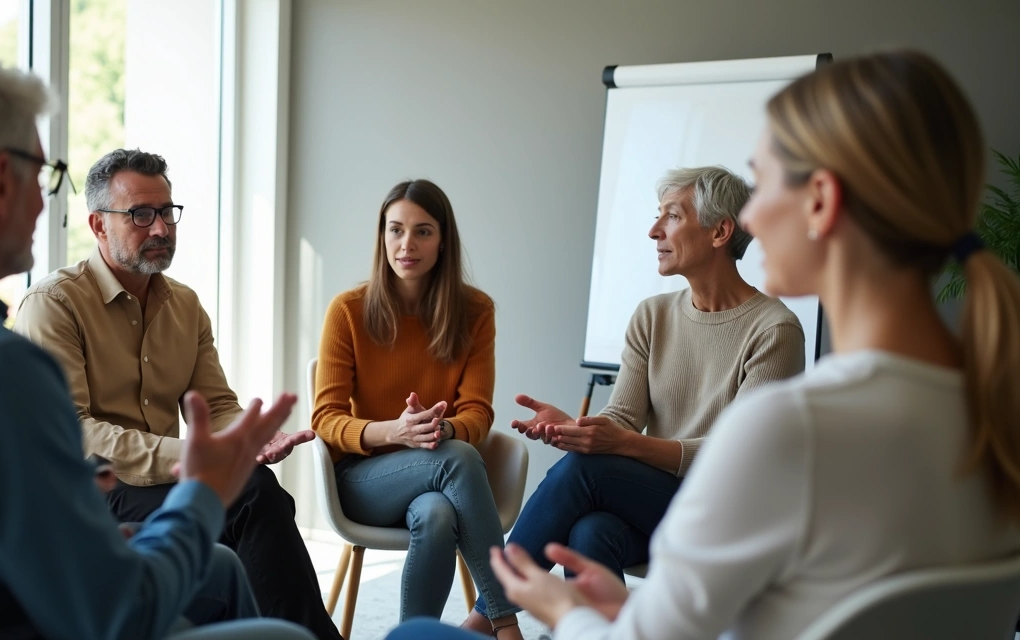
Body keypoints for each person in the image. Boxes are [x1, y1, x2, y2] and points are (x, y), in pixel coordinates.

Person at [395, 49, 1020, 640]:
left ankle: (487, 616)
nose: (754, 217)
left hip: (676, 525)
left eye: (763, 180)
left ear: (821, 202)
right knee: (593, 527)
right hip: (670, 545)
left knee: (413, 635)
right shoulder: (995, 413)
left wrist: (563, 610)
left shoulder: (787, 423)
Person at [0, 49, 311, 640]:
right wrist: (201, 496)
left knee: (223, 570)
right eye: (47, 177)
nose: (47, 203)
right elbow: (119, 614)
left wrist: (77, 538)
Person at [12, 148, 340, 640]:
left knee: (255, 493)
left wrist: (244, 441)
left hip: (162, 483)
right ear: (99, 225)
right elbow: (73, 432)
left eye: (166, 212)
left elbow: (218, 406)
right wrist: (193, 456)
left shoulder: (184, 304)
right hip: (89, 494)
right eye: (141, 215)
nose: (161, 229)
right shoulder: (53, 305)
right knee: (252, 498)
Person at [461, 165, 806, 630]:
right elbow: (622, 417)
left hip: (728, 513)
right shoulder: (653, 315)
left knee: (589, 472)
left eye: (672, 217)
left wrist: (620, 446)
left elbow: (738, 461)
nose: (653, 231)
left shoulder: (774, 330)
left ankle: (487, 620)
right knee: (592, 529)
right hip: (660, 506)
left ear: (721, 231)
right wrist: (580, 429)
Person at [312, 179, 524, 638]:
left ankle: (414, 635)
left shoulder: (475, 311)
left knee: (437, 514)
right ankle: (505, 624)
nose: (407, 244)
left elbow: (478, 413)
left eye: (423, 231)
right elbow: (325, 420)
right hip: (364, 480)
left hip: (440, 479)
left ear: (443, 239)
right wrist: (395, 432)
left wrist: (439, 430)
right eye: (395, 230)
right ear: (382, 236)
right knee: (459, 459)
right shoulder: (347, 311)